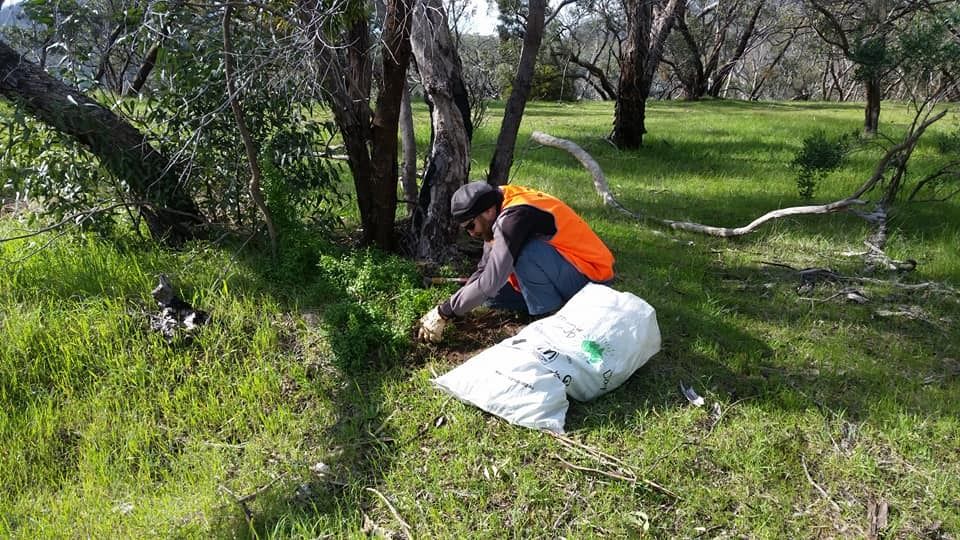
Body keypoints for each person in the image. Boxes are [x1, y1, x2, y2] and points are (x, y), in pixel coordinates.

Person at [417, 181, 615, 342]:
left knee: (522, 255)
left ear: (487, 212)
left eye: (471, 225)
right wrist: (452, 307)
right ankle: (554, 304)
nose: (471, 233)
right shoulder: (498, 203)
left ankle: (550, 322)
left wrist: (445, 312)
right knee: (490, 297)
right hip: (565, 269)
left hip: (593, 279)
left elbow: (492, 278)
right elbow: (485, 270)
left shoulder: (514, 219)